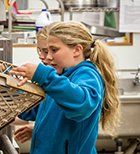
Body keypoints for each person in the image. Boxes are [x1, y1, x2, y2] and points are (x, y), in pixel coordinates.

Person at [10, 21, 120, 154]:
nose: (48, 57)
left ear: (77, 50)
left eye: (54, 50)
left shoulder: (86, 74)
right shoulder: (59, 79)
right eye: (46, 50)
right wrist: (3, 79)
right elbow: (30, 108)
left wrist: (43, 76)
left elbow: (81, 105)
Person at [13, 26, 51, 143]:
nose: (41, 56)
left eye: (47, 51)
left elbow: (70, 123)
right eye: (39, 50)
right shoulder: (54, 78)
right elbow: (32, 109)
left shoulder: (81, 78)